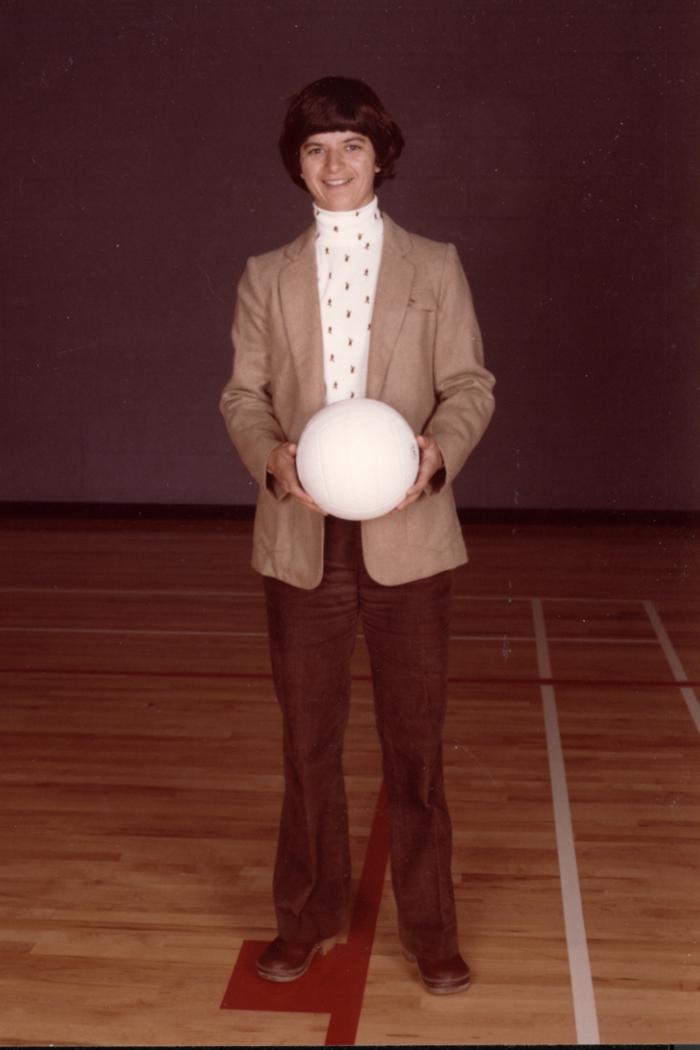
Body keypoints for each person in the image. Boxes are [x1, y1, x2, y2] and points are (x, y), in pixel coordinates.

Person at [219, 76, 495, 994]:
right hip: (303, 539)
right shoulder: (266, 275)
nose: (334, 163)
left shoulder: (436, 264)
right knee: (308, 745)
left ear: (381, 157)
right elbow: (242, 397)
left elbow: (470, 387)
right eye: (315, 148)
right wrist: (272, 460)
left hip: (410, 538)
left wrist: (437, 457)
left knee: (415, 751)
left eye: (351, 145)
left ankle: (432, 931)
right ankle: (307, 917)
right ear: (296, 165)